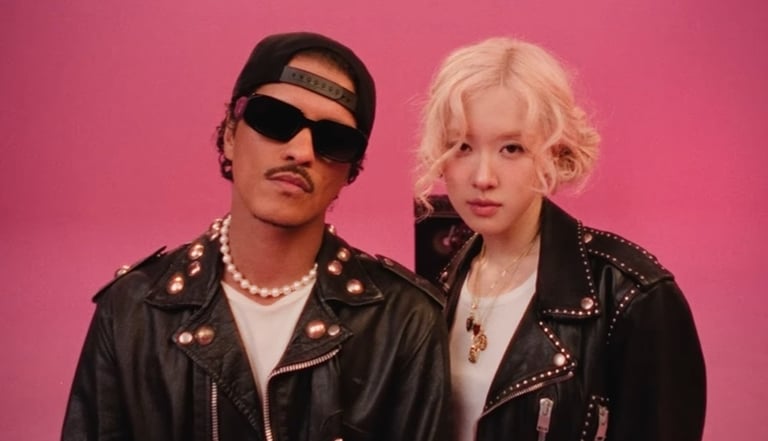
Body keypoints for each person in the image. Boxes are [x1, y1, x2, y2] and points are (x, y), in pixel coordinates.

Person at [62, 31, 451, 441]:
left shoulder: (405, 320)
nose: (301, 151)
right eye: (275, 119)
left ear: (349, 173)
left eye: (334, 141)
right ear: (230, 135)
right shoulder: (133, 310)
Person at [414, 37, 706, 441]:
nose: (482, 177)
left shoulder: (631, 295)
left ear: (554, 152)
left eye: (511, 148)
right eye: (462, 146)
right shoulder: (437, 284)